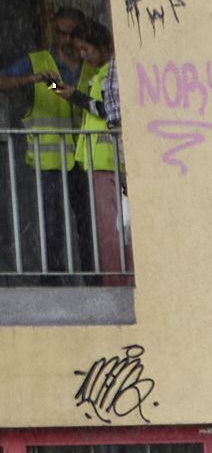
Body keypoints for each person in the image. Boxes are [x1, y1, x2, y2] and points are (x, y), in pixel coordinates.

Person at [2, 10, 88, 277]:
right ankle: (56, 276)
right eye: (60, 32)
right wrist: (33, 79)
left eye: (71, 33)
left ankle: (92, 276)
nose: (65, 39)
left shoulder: (92, 62)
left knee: (89, 225)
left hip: (87, 158)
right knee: (52, 224)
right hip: (49, 159)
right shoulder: (38, 62)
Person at [69, 17, 123, 281]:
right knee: (109, 228)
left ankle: (116, 279)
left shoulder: (110, 73)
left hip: (106, 160)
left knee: (110, 230)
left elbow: (106, 112)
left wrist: (75, 97)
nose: (82, 55)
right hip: (95, 160)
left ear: (99, 44)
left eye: (85, 49)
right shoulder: (96, 73)